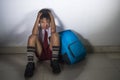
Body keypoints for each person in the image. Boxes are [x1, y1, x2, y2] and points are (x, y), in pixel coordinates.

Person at [24, 9, 61, 77]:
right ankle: (30, 64)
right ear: (39, 22)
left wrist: (52, 17)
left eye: (47, 22)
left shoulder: (51, 28)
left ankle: (54, 61)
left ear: (50, 22)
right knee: (32, 37)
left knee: (55, 35)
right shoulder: (38, 28)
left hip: (51, 54)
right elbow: (34, 33)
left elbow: (53, 30)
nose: (45, 24)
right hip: (40, 53)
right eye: (42, 22)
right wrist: (37, 18)